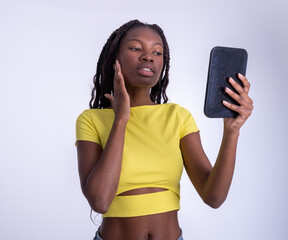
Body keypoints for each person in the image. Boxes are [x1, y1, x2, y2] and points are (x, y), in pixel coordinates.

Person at [75, 19, 253, 240]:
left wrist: (232, 132)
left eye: (157, 52)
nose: (148, 56)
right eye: (136, 48)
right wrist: (121, 118)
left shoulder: (177, 117)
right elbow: (100, 201)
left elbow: (213, 197)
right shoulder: (91, 120)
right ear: (115, 59)